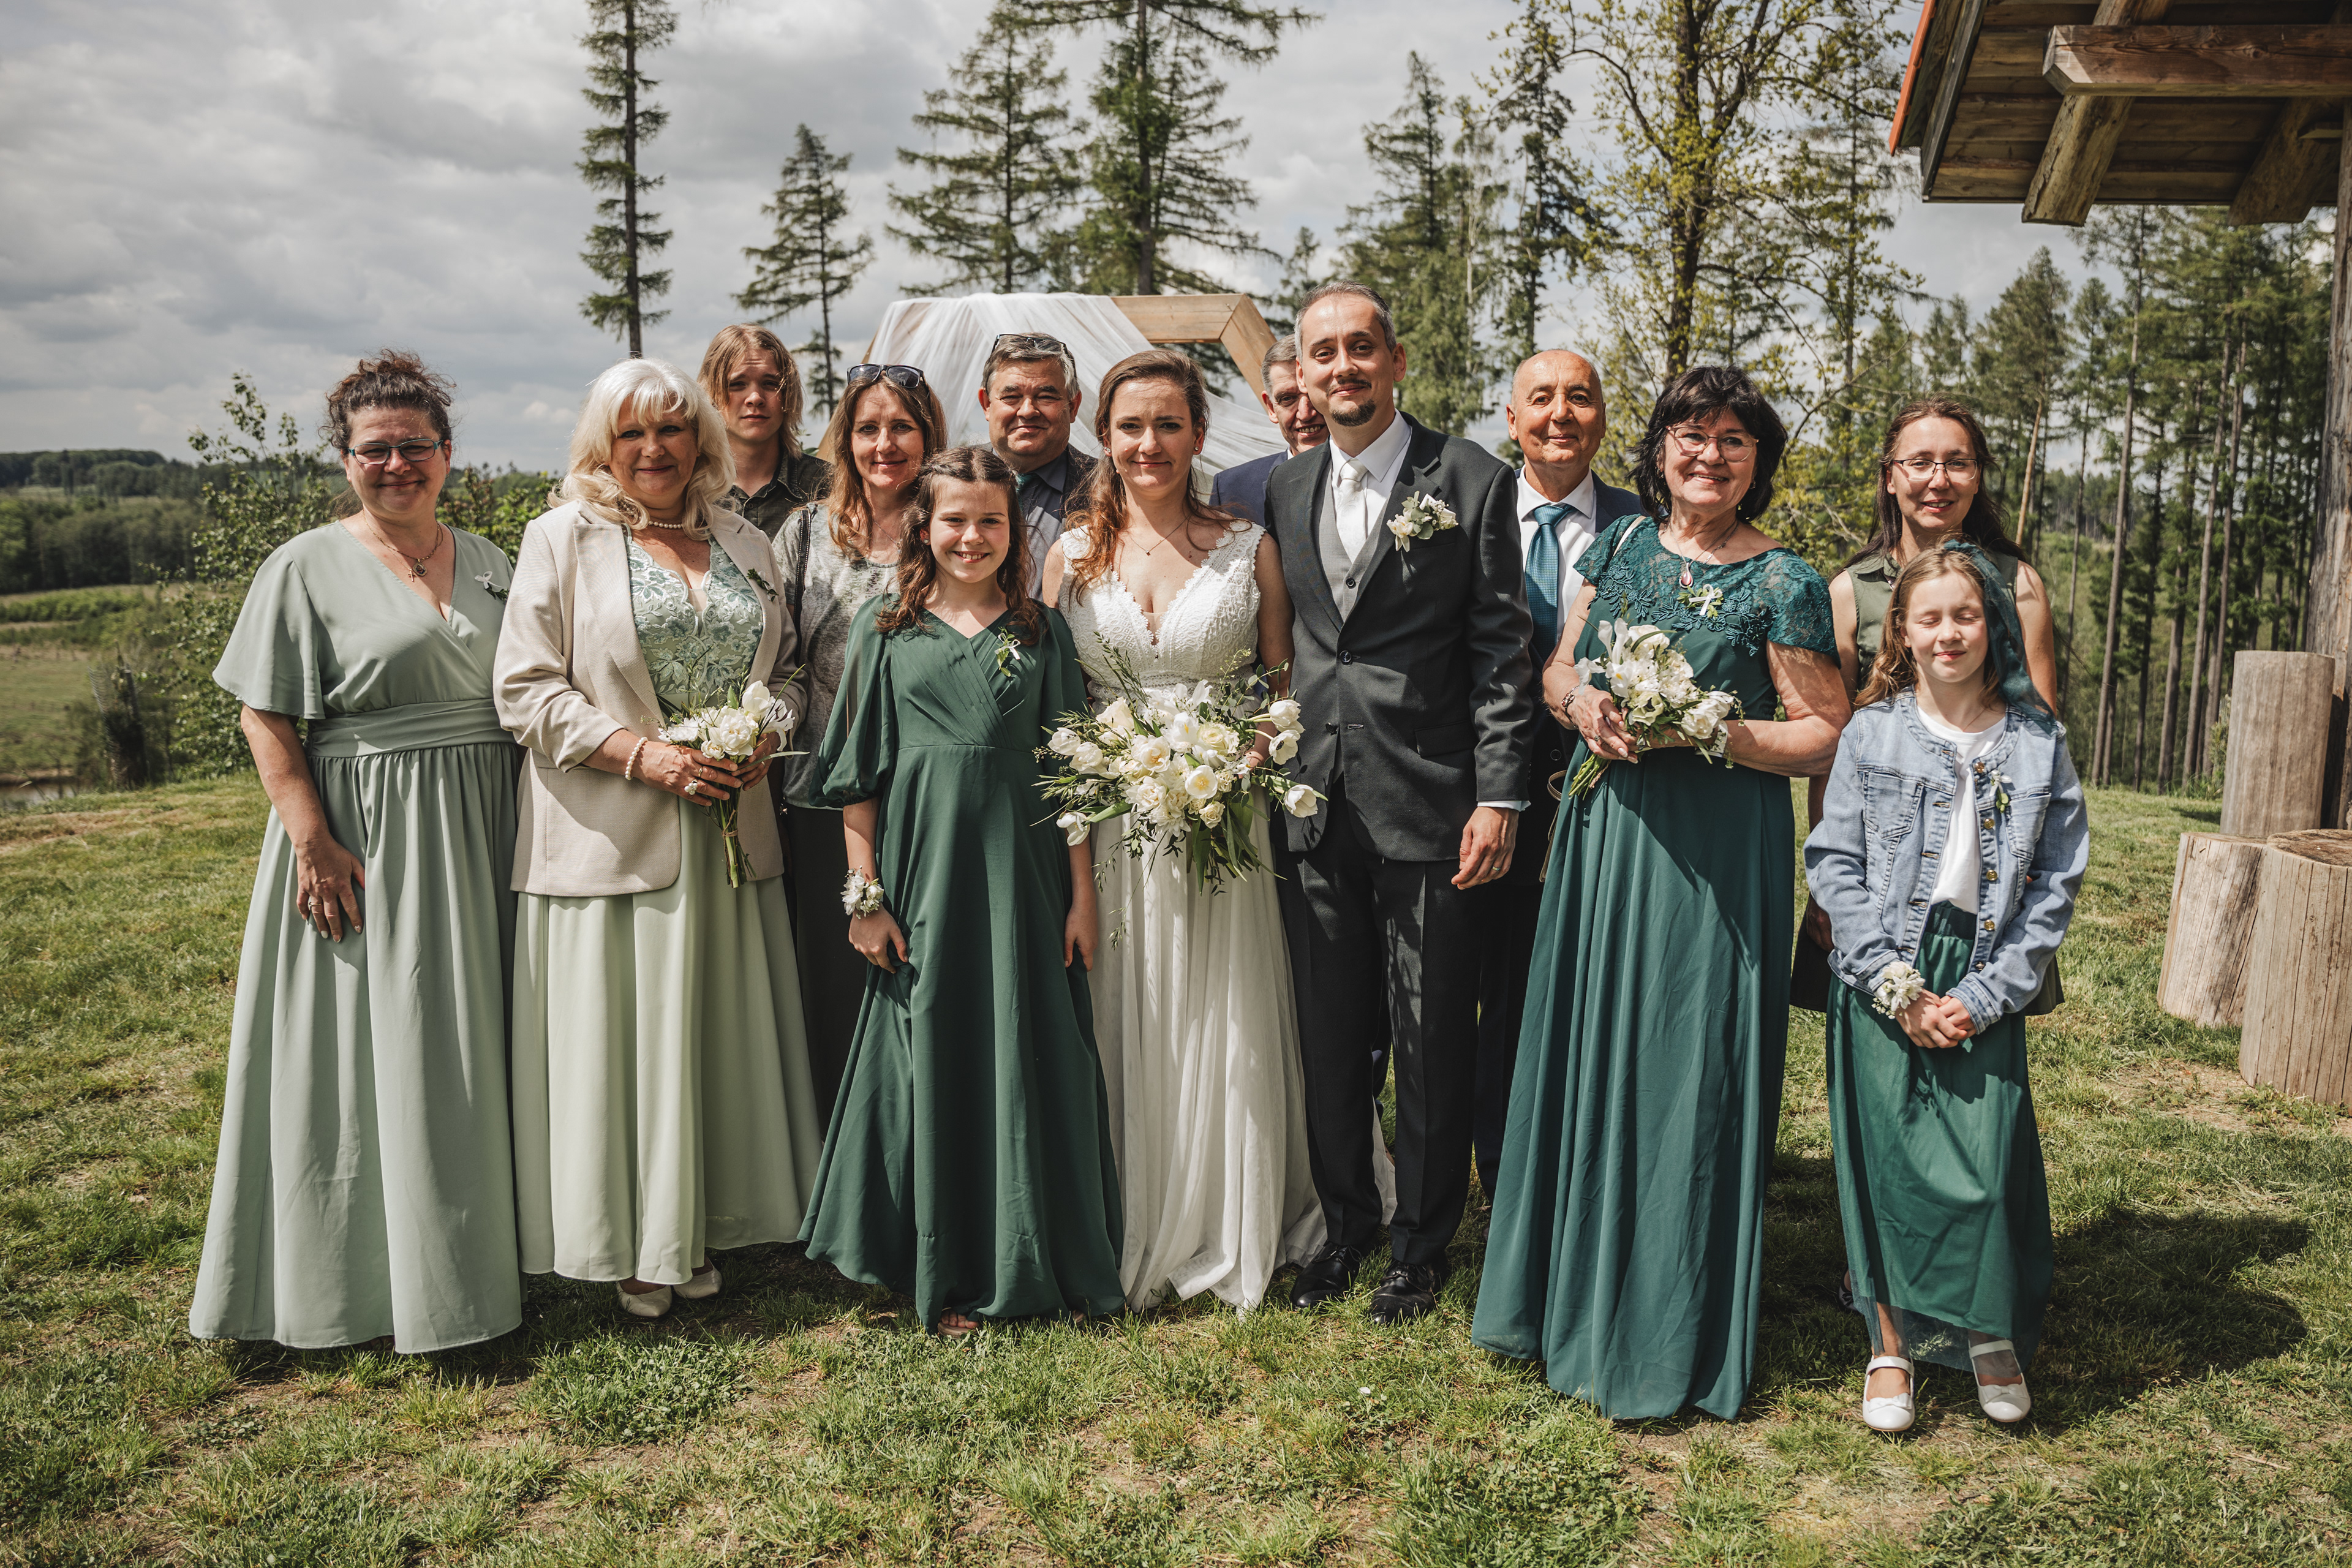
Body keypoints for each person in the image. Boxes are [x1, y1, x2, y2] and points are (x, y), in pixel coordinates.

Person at [1472, 366, 1850, 1419]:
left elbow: (1827, 733)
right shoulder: (1623, 547)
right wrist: (1582, 703)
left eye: (1734, 441)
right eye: (1692, 435)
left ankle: (1666, 1320)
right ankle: (1556, 1296)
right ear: (1661, 449)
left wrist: (1710, 731)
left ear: (1758, 463)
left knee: (1689, 1062)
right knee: (1591, 1046)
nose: (1709, 456)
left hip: (1716, 852)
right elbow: (1557, 668)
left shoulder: (1785, 580)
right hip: (1607, 839)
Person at [190, 352, 524, 1353]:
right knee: (381, 1049)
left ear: (448, 454)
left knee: (484, 1043)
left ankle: (504, 1252)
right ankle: (368, 1283)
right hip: (369, 835)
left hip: (490, 825)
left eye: (413, 446)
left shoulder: (495, 561)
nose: (395, 465)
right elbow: (264, 715)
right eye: (374, 450)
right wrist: (312, 841)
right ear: (345, 460)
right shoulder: (303, 567)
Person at [496, 357, 823, 1321]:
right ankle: (632, 1242)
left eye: (672, 429)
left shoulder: (744, 539)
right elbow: (524, 690)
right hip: (611, 838)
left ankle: (707, 1222)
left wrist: (768, 734)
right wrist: (643, 757)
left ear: (701, 439)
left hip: (732, 835)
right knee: (625, 1053)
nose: (654, 449)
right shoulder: (561, 537)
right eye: (632, 433)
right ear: (602, 446)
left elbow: (789, 670)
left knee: (712, 1042)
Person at [800, 445, 1124, 1333]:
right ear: (923, 526)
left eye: (991, 521)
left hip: (1024, 879)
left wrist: (1082, 896)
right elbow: (858, 782)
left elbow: (1070, 775)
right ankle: (939, 1269)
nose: (972, 536)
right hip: (924, 880)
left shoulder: (1041, 632)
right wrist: (866, 899)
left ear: (1013, 530)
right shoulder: (884, 631)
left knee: (1029, 1046)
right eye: (955, 519)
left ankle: (1033, 1255)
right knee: (933, 1055)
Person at [1264, 281, 1534, 1326]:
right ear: (1302, 372)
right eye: (1324, 352)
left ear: (1396, 360)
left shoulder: (1470, 478)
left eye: (1361, 348)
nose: (1343, 367)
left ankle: (1420, 1248)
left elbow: (1501, 654)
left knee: (1429, 1037)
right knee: (1331, 1034)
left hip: (1432, 803)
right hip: (1314, 802)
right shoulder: (1287, 487)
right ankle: (1346, 1227)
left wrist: (1499, 795)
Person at [1042, 350, 1322, 1313]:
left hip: (1222, 815)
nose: (1149, 444)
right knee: (1132, 1002)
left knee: (1224, 1007)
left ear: (1200, 433)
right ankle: (1131, 1205)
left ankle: (1230, 1207)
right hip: (1113, 822)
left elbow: (1282, 682)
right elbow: (1057, 704)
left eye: (1169, 424)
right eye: (1131, 426)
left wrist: (1247, 757)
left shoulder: (1250, 547)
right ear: (1104, 436)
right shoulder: (1070, 556)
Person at [1806, 544, 2086, 1432]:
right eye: (1929, 618)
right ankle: (1889, 1344)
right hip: (1887, 964)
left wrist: (1993, 991)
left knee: (1985, 1160)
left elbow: (2056, 881)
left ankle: (1987, 1331)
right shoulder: (1871, 732)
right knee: (1886, 1165)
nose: (1949, 633)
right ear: (1903, 630)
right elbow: (1835, 864)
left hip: (1984, 965)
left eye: (1965, 614)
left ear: (1993, 623)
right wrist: (1893, 983)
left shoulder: (2038, 742)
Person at [1799, 398, 2060, 986]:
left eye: (1957, 463)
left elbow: (2040, 739)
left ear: (1977, 477)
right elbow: (1833, 750)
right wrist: (1825, 885)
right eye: (1919, 462)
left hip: (1984, 857)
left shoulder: (2018, 586)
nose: (1938, 480)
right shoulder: (1849, 593)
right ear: (1891, 477)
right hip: (1879, 859)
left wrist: (2027, 871)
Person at [1470, 349, 1644, 1204]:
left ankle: (1578, 1164)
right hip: (1480, 791)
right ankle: (1495, 1168)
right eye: (1541, 398)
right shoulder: (1464, 511)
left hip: (1607, 788)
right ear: (1512, 419)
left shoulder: (1645, 527)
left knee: (1587, 983)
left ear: (1603, 418)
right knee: (1488, 984)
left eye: (1580, 397)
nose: (1561, 414)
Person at [771, 364, 949, 1117]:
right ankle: (839, 1154)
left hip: (926, 797)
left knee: (923, 988)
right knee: (836, 992)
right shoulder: (806, 531)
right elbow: (777, 657)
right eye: (868, 428)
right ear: (844, 439)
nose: (885, 444)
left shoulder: (950, 525)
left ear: (929, 437)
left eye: (902, 427)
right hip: (822, 796)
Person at [979, 331, 1096, 589]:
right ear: (986, 404)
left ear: (1073, 406)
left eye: (1046, 397)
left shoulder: (1110, 488)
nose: (1028, 411)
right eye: (1011, 397)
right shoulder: (945, 481)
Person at [700, 324, 830, 537]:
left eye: (770, 384)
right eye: (737, 384)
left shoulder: (829, 487)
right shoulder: (688, 489)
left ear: (788, 394)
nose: (755, 398)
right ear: (711, 393)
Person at [1209, 334, 1329, 525]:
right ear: (1271, 408)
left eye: (1313, 394)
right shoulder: (1232, 490)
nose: (1305, 414)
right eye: (1287, 399)